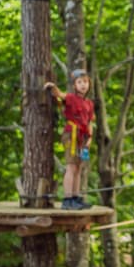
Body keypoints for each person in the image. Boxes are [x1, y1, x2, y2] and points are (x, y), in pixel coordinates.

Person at [45, 69, 95, 210]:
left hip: (83, 137)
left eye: (85, 82)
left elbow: (90, 122)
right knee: (71, 167)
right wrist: (52, 86)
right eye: (79, 82)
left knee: (78, 168)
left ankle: (75, 197)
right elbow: (59, 94)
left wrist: (89, 140)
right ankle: (67, 199)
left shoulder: (89, 103)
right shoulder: (72, 98)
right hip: (71, 134)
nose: (83, 85)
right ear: (74, 85)